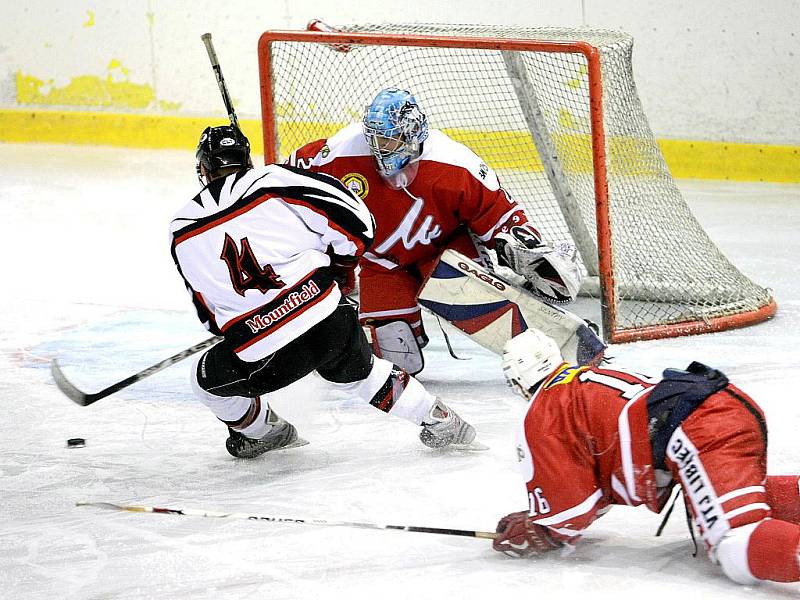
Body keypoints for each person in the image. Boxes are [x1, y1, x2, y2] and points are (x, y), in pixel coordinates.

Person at [168, 125, 477, 458]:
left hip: (266, 350)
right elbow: (359, 221)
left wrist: (242, 326)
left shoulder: (181, 227)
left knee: (205, 381)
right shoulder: (273, 180)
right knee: (364, 374)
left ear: (203, 168)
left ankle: (264, 432)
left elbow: (209, 316)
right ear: (245, 158)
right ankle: (437, 417)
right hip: (328, 316)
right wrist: (339, 267)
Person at [287, 87, 582, 375]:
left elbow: (497, 211)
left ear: (413, 134)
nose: (379, 148)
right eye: (375, 138)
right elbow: (288, 180)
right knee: (398, 362)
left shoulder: (454, 163)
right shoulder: (340, 153)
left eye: (389, 140)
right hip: (382, 265)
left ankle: (541, 346)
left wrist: (517, 242)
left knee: (475, 293)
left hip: (446, 254)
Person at [492, 328, 800, 586]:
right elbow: (592, 488)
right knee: (721, 506)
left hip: (697, 430)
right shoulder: (586, 379)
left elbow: (571, 510)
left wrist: (539, 530)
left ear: (516, 380)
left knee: (732, 543)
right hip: (723, 405)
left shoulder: (544, 412)